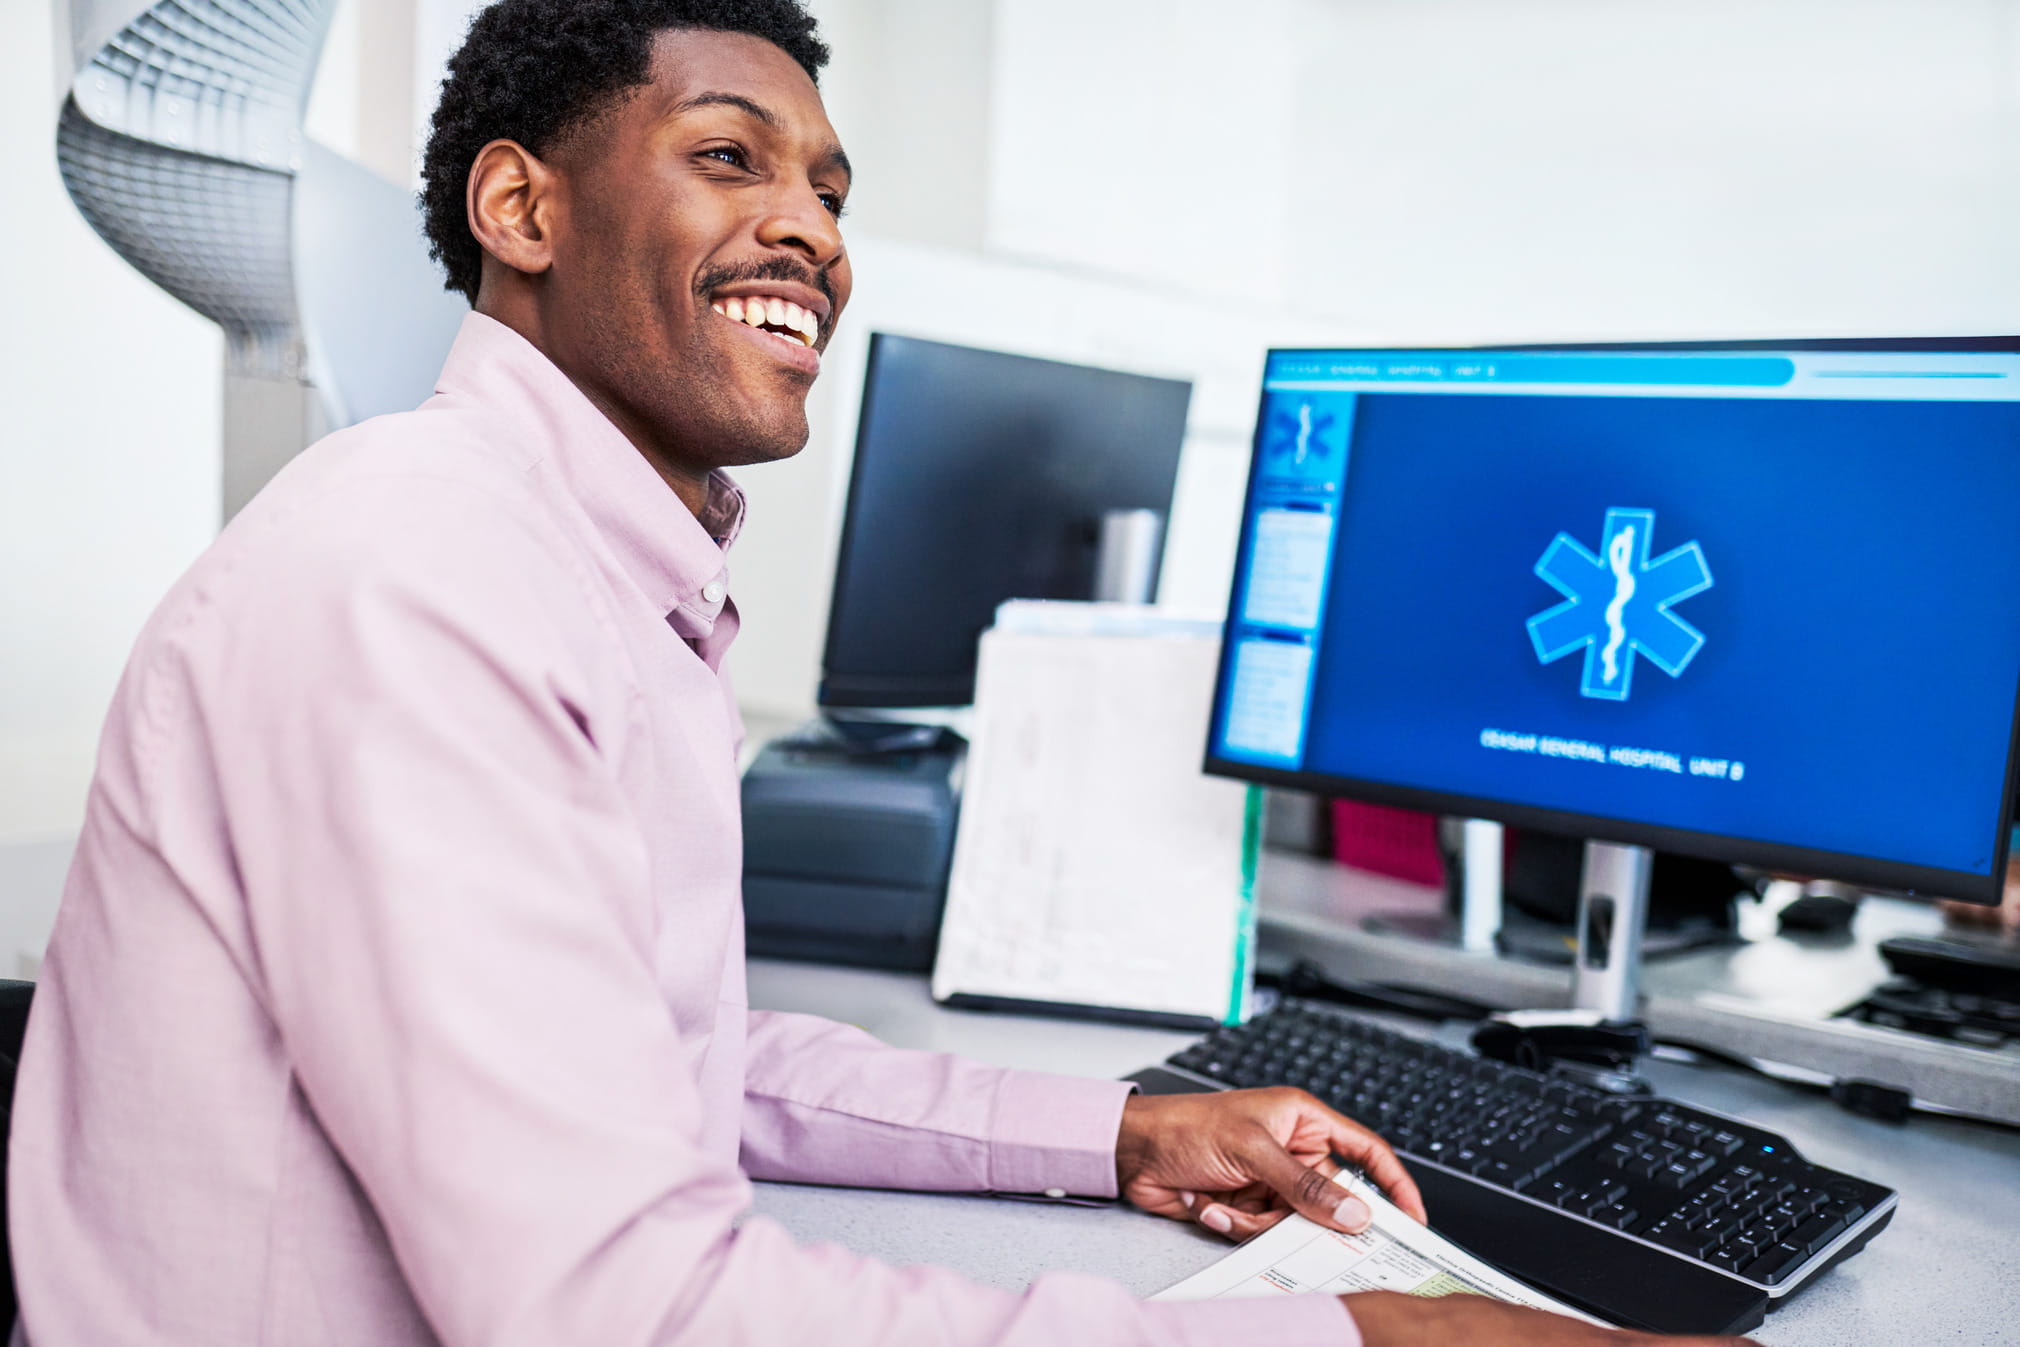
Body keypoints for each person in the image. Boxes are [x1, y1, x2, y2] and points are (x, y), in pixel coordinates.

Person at [6, 3, 1759, 1344]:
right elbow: (620, 1308)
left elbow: (674, 1054)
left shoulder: (584, 565)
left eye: (830, 189)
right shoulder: (412, 576)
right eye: (730, 156)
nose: (815, 232)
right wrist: (1347, 1329)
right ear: (521, 205)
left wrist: (1122, 1135)